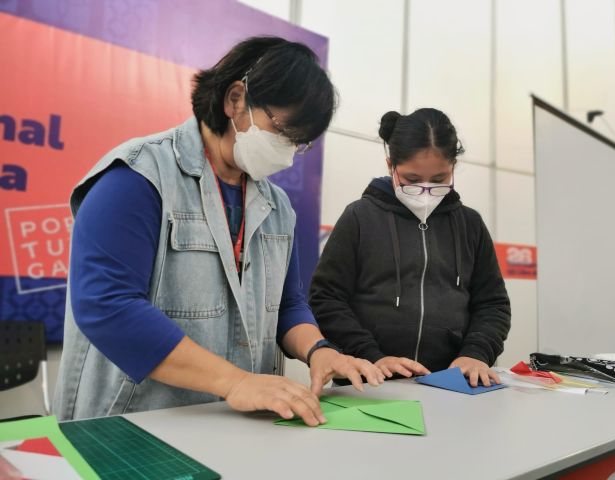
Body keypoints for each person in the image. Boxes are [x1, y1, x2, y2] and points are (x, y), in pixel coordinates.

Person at [53, 37, 384, 425]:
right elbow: (107, 306)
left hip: (233, 425)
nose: (288, 153)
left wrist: (319, 350)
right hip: (130, 423)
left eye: (299, 143)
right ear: (235, 100)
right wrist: (236, 382)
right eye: (282, 130)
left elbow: (287, 306)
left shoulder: (278, 208)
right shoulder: (138, 177)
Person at [309, 108, 511, 387]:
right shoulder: (359, 218)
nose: (426, 191)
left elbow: (493, 304)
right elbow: (326, 299)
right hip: (369, 383)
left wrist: (476, 353)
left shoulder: (470, 225)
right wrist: (370, 356)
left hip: (451, 385)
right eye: (412, 180)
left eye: (439, 179)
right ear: (390, 164)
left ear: (453, 166)